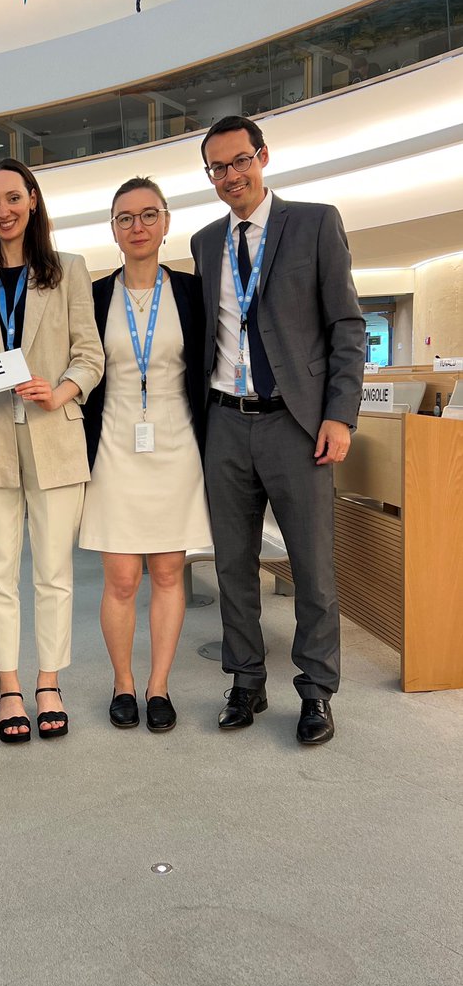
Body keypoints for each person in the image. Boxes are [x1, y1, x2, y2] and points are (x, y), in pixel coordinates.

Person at [190, 115, 364, 745]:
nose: (231, 175)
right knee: (233, 565)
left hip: (299, 424)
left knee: (313, 567)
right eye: (218, 167)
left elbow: (346, 326)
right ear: (209, 175)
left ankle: (316, 692)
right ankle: (245, 681)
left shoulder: (315, 222)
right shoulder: (206, 242)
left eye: (240, 161)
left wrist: (340, 415)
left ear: (263, 157)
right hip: (226, 425)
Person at [0, 159, 104, 743]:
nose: (3, 211)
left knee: (54, 573)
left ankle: (48, 683)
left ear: (33, 200)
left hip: (55, 436)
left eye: (13, 198)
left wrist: (60, 389)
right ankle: (9, 686)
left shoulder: (68, 271)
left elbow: (90, 355)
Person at [81, 178, 210, 732]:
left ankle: (158, 686)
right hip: (113, 446)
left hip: (177, 446)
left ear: (165, 223)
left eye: (148, 215)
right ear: (113, 228)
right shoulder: (92, 296)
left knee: (166, 573)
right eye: (125, 218)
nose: (138, 227)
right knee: (121, 579)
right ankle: (123, 684)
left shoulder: (192, 292)